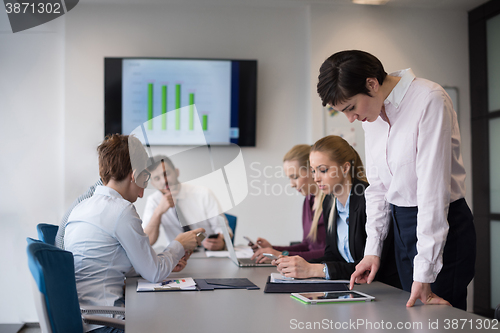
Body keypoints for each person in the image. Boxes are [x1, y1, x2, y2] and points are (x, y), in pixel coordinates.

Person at [317, 50, 475, 310]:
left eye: (351, 108)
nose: (351, 119)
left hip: (442, 225)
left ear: (371, 83)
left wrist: (425, 271)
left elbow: (432, 193)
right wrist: (372, 251)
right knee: (412, 319)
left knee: (437, 320)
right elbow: (378, 190)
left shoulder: (428, 99)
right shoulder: (372, 116)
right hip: (401, 225)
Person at [64, 134, 204, 333]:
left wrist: (168, 260)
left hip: (84, 319)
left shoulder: (81, 208)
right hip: (106, 324)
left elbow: (111, 263)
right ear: (134, 174)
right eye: (145, 179)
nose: (141, 193)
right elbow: (154, 273)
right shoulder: (121, 211)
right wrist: (179, 243)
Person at [273, 136, 400, 288]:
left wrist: (314, 269)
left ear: (345, 168)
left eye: (323, 170)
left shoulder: (368, 200)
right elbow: (332, 256)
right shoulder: (329, 202)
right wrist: (295, 264)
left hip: (384, 290)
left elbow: (367, 267)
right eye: (313, 171)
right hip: (357, 290)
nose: (316, 178)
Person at [250, 145, 326, 262]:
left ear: (312, 171)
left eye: (295, 177)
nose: (291, 184)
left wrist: (282, 254)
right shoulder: (308, 200)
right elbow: (307, 246)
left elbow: (330, 253)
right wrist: (273, 249)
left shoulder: (330, 203)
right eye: (289, 178)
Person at [142, 155, 232, 251]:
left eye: (166, 174)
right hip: (176, 256)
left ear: (176, 172)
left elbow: (225, 231)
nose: (164, 181)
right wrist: (158, 212)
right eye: (157, 178)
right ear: (153, 184)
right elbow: (147, 241)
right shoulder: (154, 201)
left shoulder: (203, 194)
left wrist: (221, 241)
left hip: (207, 252)